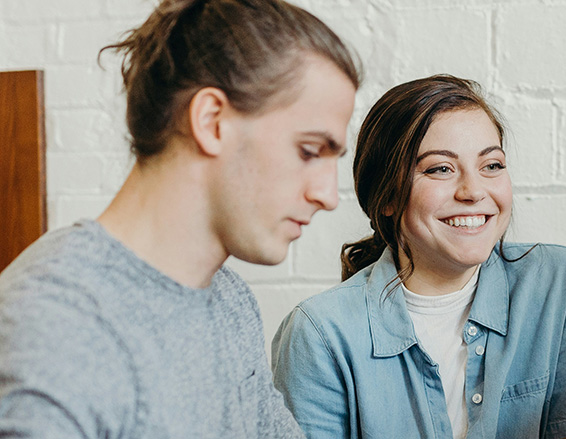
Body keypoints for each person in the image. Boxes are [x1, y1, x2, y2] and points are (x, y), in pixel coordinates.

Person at [0, 0, 360, 436]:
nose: (327, 195)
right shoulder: (55, 327)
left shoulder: (230, 300)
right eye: (308, 151)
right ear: (211, 121)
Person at [270, 74, 566, 439]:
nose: (474, 191)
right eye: (440, 169)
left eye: (491, 165)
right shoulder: (317, 334)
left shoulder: (558, 283)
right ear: (388, 197)